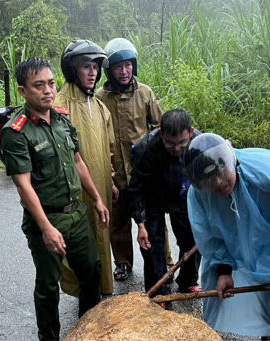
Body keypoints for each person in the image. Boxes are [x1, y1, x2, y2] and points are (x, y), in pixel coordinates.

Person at [0, 58, 108, 341]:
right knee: (48, 284)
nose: (48, 91)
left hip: (76, 213)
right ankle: (49, 340)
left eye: (50, 83)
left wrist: (97, 199)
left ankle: (88, 326)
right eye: (39, 85)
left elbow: (78, 163)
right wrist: (46, 228)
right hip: (45, 219)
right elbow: (24, 186)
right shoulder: (16, 132)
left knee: (92, 271)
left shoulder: (62, 119)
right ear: (23, 90)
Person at [184, 133, 270, 341]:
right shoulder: (199, 194)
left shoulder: (266, 177)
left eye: (222, 175)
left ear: (230, 162)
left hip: (268, 233)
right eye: (211, 182)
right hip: (229, 236)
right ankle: (210, 335)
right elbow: (209, 237)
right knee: (214, 279)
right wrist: (224, 271)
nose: (220, 184)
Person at [96, 37, 167, 282]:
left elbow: (160, 128)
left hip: (143, 172)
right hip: (114, 170)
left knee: (153, 219)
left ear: (133, 66)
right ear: (110, 70)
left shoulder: (145, 93)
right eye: (118, 66)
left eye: (128, 65)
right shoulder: (100, 98)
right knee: (118, 221)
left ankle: (165, 261)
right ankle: (123, 262)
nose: (124, 71)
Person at [54, 40, 116, 297]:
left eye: (95, 66)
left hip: (100, 183)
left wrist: (110, 180)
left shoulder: (99, 105)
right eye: (85, 66)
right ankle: (86, 293)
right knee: (80, 240)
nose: (92, 72)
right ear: (72, 70)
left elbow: (108, 148)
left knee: (101, 234)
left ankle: (101, 287)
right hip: (75, 189)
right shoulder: (60, 105)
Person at [129, 109, 202, 299]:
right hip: (153, 196)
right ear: (161, 133)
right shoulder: (145, 148)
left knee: (192, 238)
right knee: (153, 244)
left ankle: (188, 281)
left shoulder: (201, 144)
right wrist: (140, 224)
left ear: (191, 132)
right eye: (170, 143)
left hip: (183, 195)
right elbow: (135, 188)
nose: (176, 149)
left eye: (182, 143)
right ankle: (159, 291)